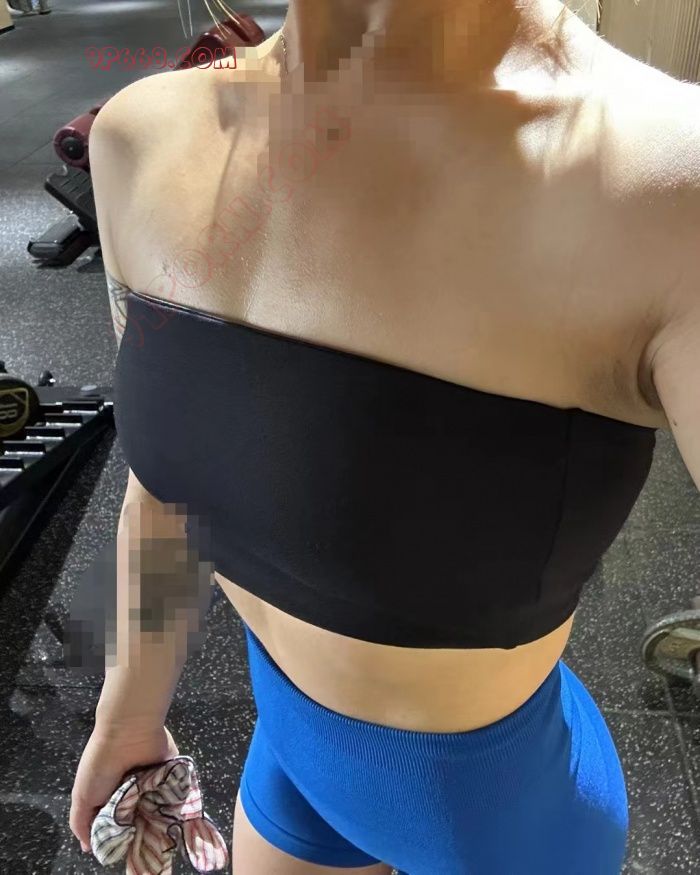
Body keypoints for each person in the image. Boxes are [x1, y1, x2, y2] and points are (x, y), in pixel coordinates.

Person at [69, 0, 700, 872]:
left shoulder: (665, 185)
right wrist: (129, 710)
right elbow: (170, 477)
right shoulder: (139, 135)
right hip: (294, 756)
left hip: (499, 823)